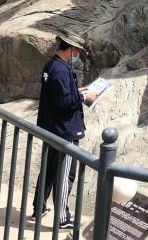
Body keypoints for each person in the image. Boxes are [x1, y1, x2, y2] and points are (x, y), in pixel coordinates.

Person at [31, 32, 97, 229]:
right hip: (64, 131)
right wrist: (84, 97)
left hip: (51, 127)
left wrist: (77, 91)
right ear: (71, 49)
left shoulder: (51, 65)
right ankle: (62, 218)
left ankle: (39, 206)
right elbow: (63, 101)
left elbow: (58, 94)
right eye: (77, 51)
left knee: (49, 169)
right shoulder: (60, 70)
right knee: (65, 174)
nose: (77, 55)